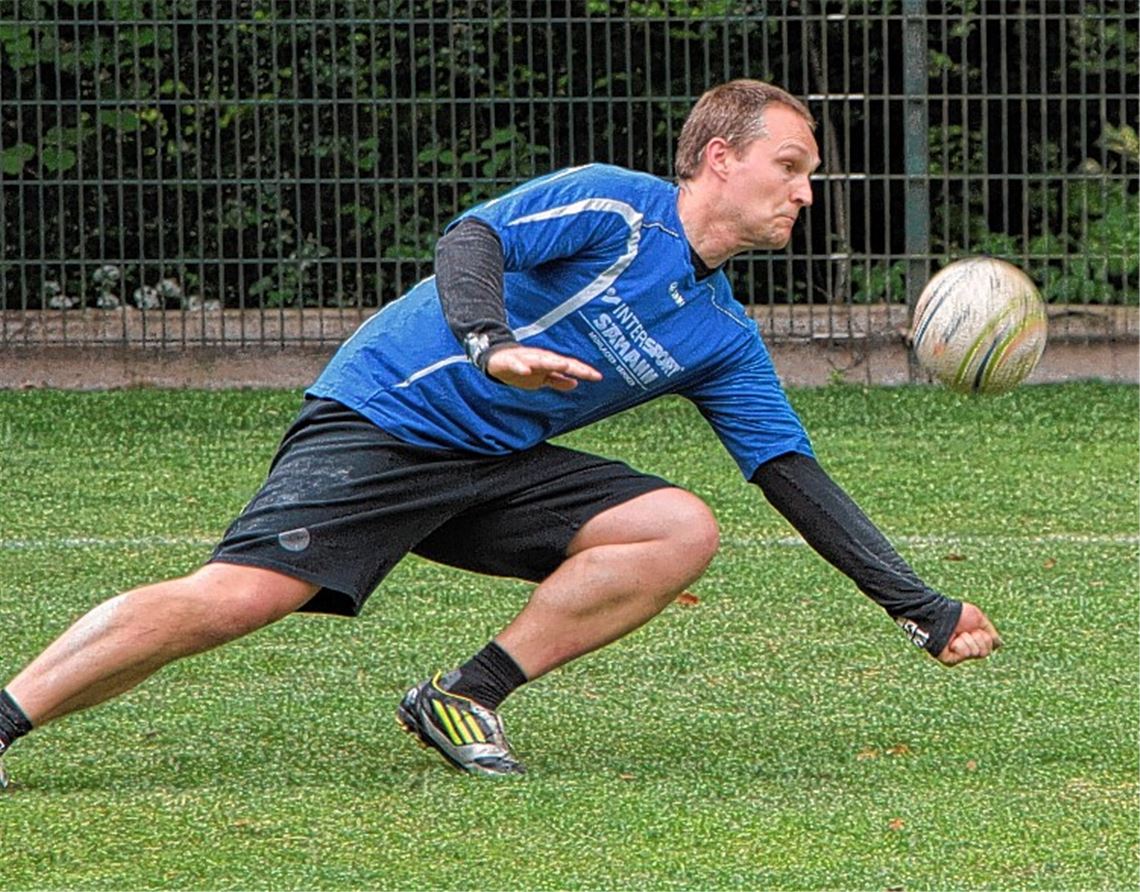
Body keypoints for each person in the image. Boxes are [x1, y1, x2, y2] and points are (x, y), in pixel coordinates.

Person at [0, 80, 1002, 784]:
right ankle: (10, 715)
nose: (806, 191)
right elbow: (473, 236)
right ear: (718, 158)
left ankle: (464, 694)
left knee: (678, 527)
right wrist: (492, 344)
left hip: (492, 469)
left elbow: (787, 469)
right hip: (388, 419)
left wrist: (921, 605)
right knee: (233, 602)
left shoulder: (721, 334)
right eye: (789, 165)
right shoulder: (619, 206)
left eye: (810, 173)